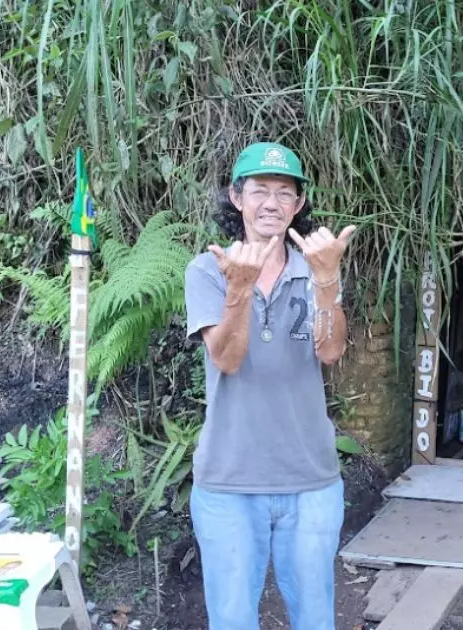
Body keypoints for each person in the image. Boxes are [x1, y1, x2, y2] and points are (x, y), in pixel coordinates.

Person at [183, 141, 356, 630]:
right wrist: (238, 288)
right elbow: (227, 359)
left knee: (315, 619)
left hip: (311, 481)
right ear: (237, 198)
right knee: (233, 620)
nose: (271, 203)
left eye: (285, 193)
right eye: (259, 190)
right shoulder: (207, 271)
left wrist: (327, 281)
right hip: (230, 483)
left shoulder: (316, 266)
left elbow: (331, 351)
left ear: (298, 206)